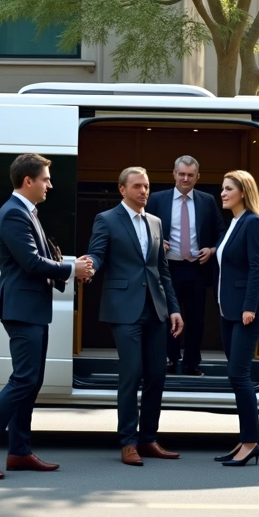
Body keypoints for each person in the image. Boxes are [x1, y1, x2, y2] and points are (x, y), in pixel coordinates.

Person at [0, 154, 93, 479]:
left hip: (32, 307)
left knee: (31, 380)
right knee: (23, 378)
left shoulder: (26, 212)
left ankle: (19, 451)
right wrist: (71, 269)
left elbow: (43, 256)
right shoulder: (13, 215)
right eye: (46, 179)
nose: (50, 184)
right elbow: (32, 263)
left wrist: (73, 267)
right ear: (28, 181)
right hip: (21, 309)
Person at [86, 166, 185, 466]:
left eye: (147, 186)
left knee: (156, 374)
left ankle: (149, 438)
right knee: (132, 373)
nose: (144, 191)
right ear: (122, 189)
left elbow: (161, 270)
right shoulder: (106, 219)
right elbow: (98, 253)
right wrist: (89, 265)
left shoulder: (155, 222)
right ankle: (128, 442)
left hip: (155, 309)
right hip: (124, 309)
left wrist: (174, 309)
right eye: (138, 186)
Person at [213, 170, 259, 467]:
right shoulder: (234, 223)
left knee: (240, 376)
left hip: (247, 312)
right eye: (222, 189)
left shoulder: (253, 222)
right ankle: (244, 440)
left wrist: (249, 307)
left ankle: (251, 442)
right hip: (230, 311)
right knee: (236, 376)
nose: (222, 193)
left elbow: (257, 268)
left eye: (228, 189)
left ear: (243, 192)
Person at [147, 155, 223, 376]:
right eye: (181, 174)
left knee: (196, 318)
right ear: (174, 174)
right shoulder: (157, 199)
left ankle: (191, 364)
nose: (185, 179)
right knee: (168, 316)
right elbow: (143, 228)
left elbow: (221, 231)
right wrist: (157, 241)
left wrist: (212, 250)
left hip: (197, 268)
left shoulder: (207, 200)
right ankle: (171, 360)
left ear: (197, 177)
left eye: (190, 175)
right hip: (167, 268)